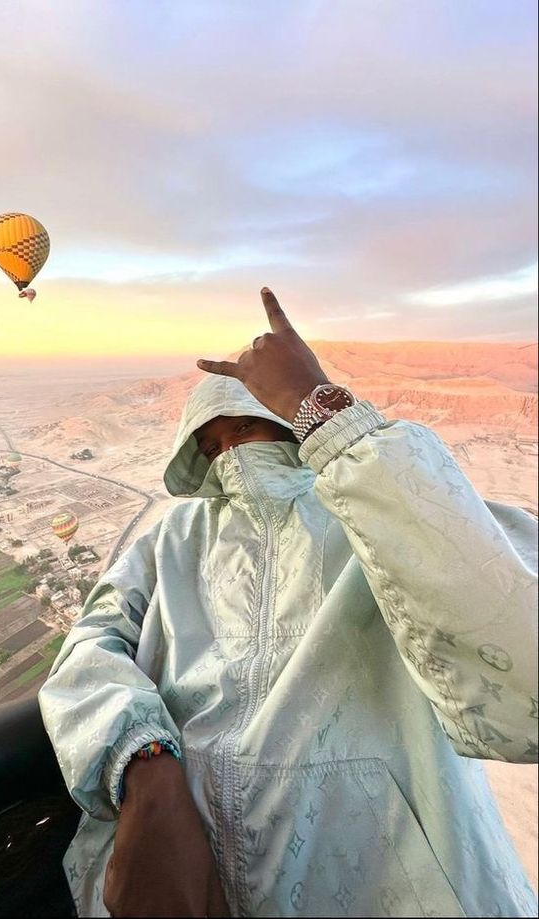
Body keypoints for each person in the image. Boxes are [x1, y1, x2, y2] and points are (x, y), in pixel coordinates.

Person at [39, 289, 538, 918]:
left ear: (287, 426)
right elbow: (88, 647)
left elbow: (521, 667)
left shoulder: (381, 517)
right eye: (212, 446)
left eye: (247, 427)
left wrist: (326, 412)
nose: (233, 456)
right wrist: (145, 765)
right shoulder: (173, 540)